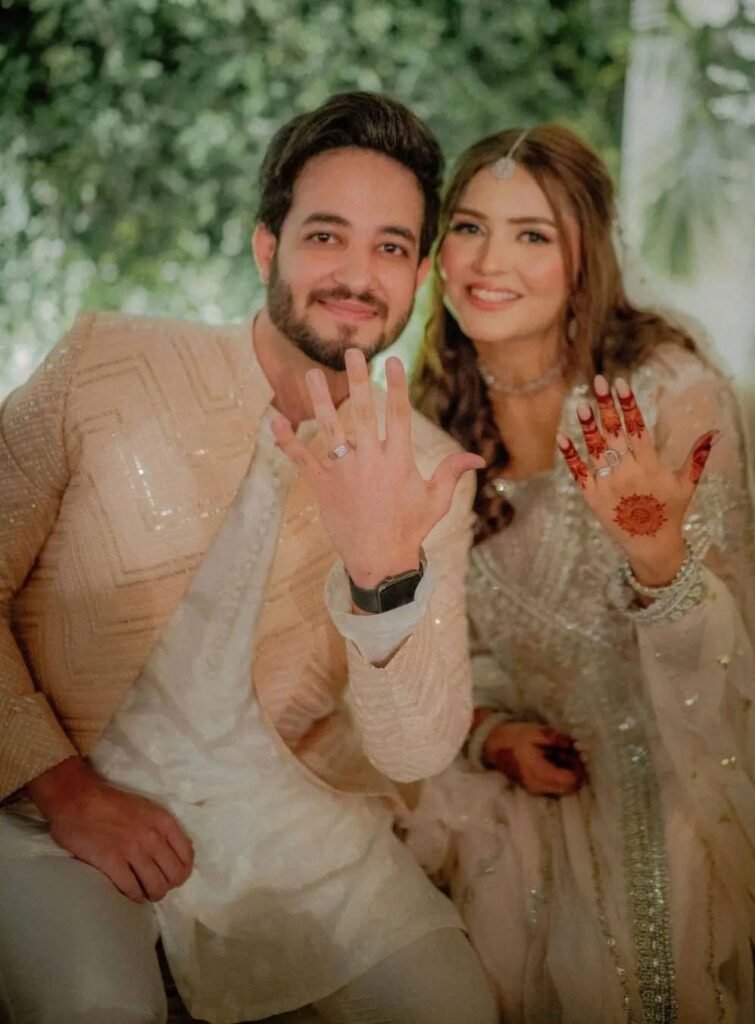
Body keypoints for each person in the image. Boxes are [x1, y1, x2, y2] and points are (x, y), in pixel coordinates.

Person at [0, 92, 500, 1024]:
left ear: (421, 274)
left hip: (291, 816)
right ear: (267, 246)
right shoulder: (111, 361)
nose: (358, 275)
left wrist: (382, 574)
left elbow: (416, 748)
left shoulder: (429, 469)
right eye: (326, 236)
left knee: (454, 1011)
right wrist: (66, 792)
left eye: (391, 247)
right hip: (56, 792)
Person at [408, 123, 755, 1024]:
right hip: (526, 779)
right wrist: (491, 733)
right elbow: (441, 647)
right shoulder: (430, 417)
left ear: (585, 257)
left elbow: (738, 664)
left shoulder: (670, 394)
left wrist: (656, 553)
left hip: (687, 755)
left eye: (532, 233)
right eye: (469, 227)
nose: (489, 261)